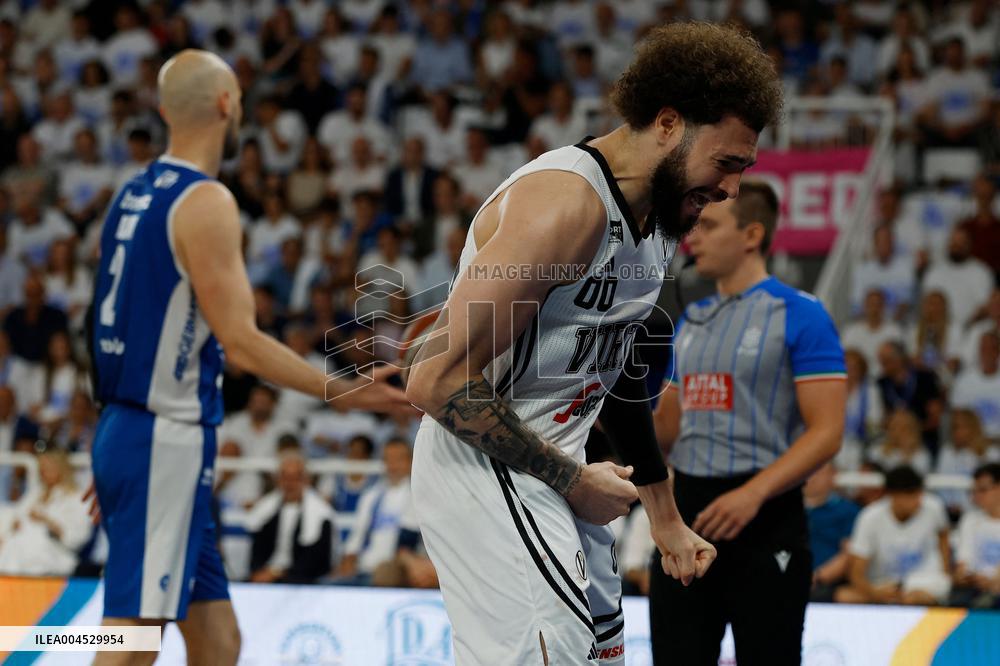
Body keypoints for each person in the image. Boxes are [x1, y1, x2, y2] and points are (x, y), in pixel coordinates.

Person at [405, 23, 782, 665]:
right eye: (727, 164)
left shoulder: (658, 220)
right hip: (493, 471)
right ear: (668, 123)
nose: (730, 191)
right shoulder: (565, 207)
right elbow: (433, 380)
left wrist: (663, 517)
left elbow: (617, 376)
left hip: (563, 474)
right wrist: (571, 479)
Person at [87, 50, 412, 666]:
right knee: (130, 640)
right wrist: (346, 388)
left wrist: (116, 441)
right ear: (228, 104)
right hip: (160, 438)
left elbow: (103, 325)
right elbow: (239, 341)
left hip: (142, 435)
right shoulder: (205, 200)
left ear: (162, 110)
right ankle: (31, 643)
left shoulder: (131, 194)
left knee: (218, 643)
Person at [651, 182, 846, 665]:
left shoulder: (801, 314)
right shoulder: (689, 321)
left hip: (768, 517)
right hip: (689, 517)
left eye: (709, 225)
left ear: (752, 234)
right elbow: (665, 432)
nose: (692, 237)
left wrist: (754, 492)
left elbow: (827, 433)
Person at [837, 466, 952, 606]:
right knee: (844, 595)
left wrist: (945, 571)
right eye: (912, 495)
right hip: (884, 584)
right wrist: (874, 594)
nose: (919, 500)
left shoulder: (934, 506)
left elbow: (944, 536)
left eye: (920, 494)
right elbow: (856, 572)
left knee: (917, 597)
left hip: (925, 582)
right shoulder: (870, 517)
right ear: (893, 495)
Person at [246, 450, 335, 584]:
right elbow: (257, 552)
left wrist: (277, 573)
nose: (289, 483)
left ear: (306, 480)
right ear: (278, 480)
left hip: (304, 581)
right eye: (285, 477)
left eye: (295, 478)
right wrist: (260, 572)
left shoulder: (321, 516)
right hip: (266, 577)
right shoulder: (265, 511)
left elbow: (316, 561)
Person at [805, 462, 860, 602]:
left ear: (833, 475)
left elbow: (848, 554)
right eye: (808, 472)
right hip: (787, 578)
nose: (812, 478)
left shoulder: (848, 510)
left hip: (827, 584)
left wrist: (817, 576)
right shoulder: (785, 511)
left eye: (818, 472)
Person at [952, 463, 1000, 608]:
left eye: (983, 490)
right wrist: (965, 576)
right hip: (975, 586)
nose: (977, 496)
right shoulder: (970, 520)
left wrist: (993, 580)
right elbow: (963, 563)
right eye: (974, 491)